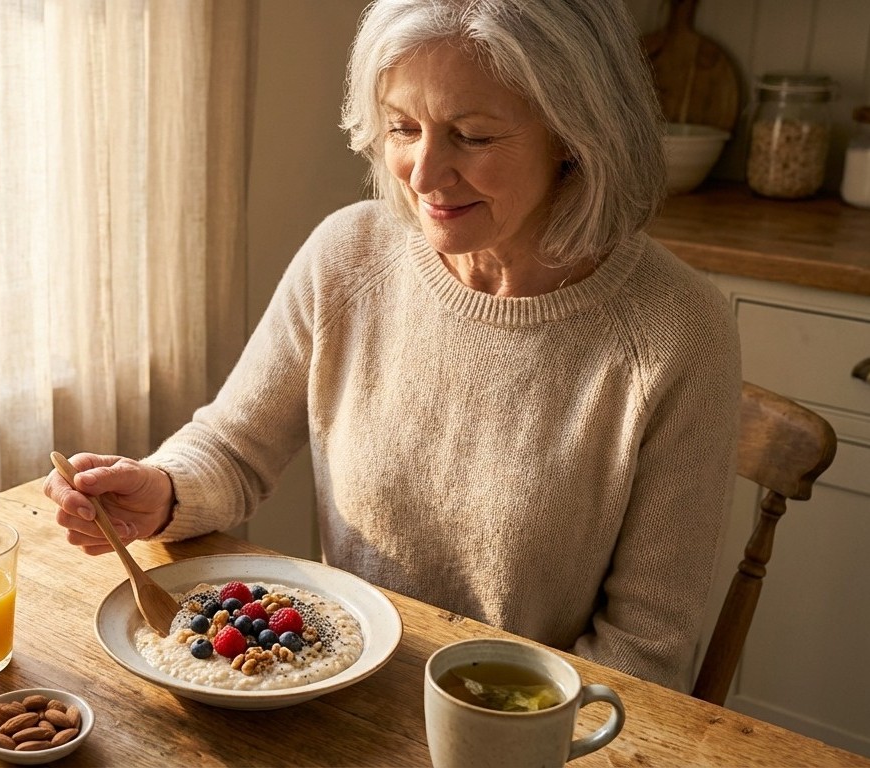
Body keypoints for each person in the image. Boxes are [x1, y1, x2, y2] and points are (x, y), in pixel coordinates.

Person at [43, 0, 740, 691]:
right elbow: (233, 447)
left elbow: (644, 649)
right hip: (337, 693)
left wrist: (495, 730)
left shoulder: (679, 331)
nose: (423, 174)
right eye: (403, 127)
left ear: (573, 132)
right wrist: (161, 490)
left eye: (472, 136)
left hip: (523, 726)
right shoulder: (348, 254)